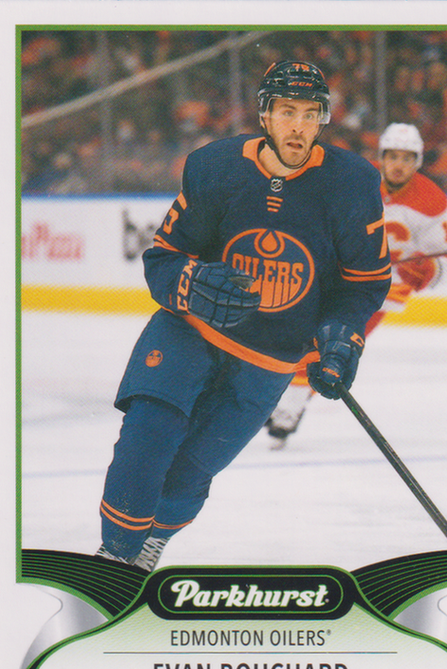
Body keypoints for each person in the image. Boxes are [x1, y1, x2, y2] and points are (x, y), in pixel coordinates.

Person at [95, 61, 391, 572]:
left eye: (310, 114)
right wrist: (189, 281)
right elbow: (164, 257)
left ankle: (149, 547)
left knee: (191, 471)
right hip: (190, 330)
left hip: (270, 357)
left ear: (323, 120)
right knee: (148, 434)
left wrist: (341, 338)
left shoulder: (352, 184)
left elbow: (363, 284)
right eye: (287, 111)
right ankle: (113, 557)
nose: (298, 125)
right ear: (264, 115)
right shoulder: (216, 167)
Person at [266, 122, 447, 445]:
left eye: (407, 158)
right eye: (393, 156)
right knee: (292, 338)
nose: (398, 164)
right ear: (381, 156)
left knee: (328, 346)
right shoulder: (355, 178)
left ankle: (288, 410)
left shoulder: (431, 200)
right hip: (333, 277)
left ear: (417, 161)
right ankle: (281, 400)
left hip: (378, 293)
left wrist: (428, 269)